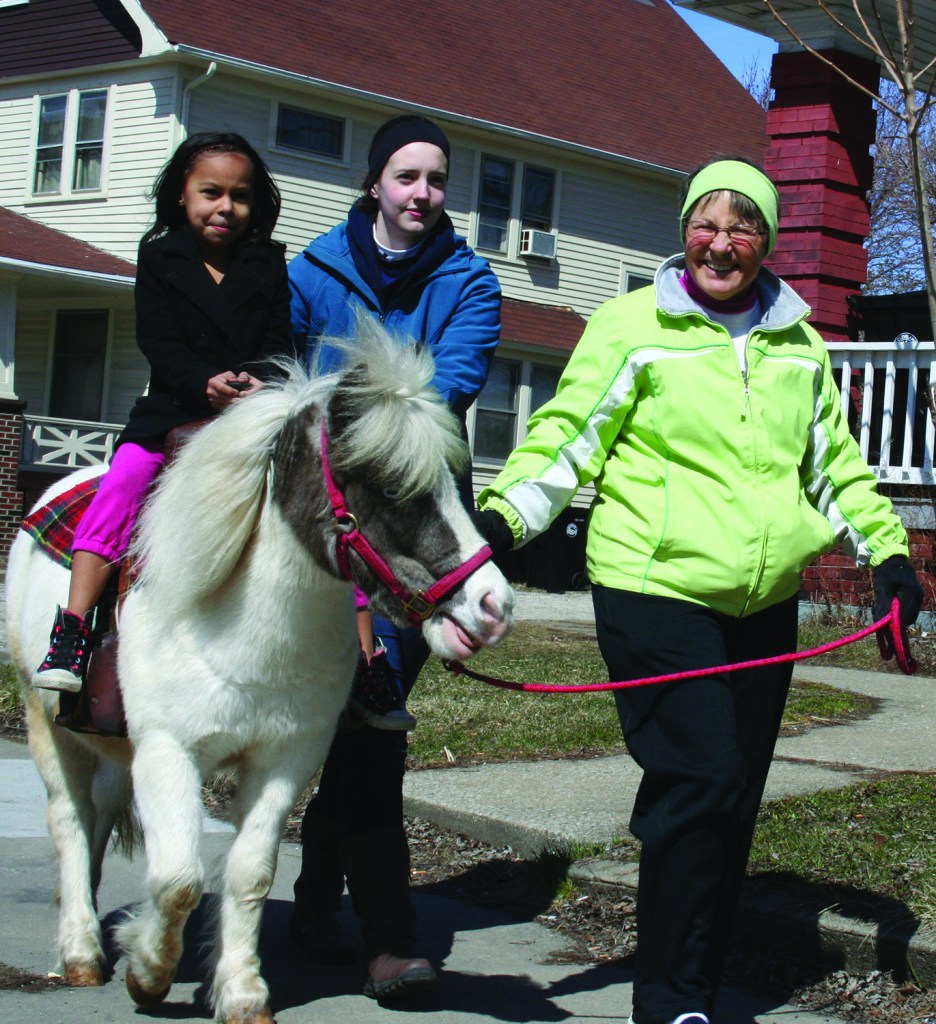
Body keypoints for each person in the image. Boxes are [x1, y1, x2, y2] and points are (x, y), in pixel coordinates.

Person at [473, 157, 924, 1024]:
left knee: (730, 797)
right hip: (653, 587)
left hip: (763, 603)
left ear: (767, 240)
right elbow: (565, 441)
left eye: (744, 224)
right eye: (707, 223)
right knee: (702, 778)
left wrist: (890, 560)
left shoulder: (798, 345)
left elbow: (836, 468)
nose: (723, 242)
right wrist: (498, 528)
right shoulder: (631, 325)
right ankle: (670, 1003)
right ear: (684, 231)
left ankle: (697, 995)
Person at [287, 113, 501, 997]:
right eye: (407, 176)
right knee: (333, 728)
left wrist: (345, 412)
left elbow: (440, 398)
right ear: (375, 182)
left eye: (437, 179)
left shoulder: (471, 283)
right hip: (318, 531)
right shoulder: (308, 273)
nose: (423, 193)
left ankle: (386, 936)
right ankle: (310, 894)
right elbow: (277, 386)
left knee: (372, 730)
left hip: (416, 538)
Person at [32, 131, 294, 691]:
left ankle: (362, 657)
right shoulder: (159, 256)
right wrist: (205, 383)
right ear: (182, 194)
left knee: (318, 492)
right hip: (173, 406)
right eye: (211, 192)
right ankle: (74, 629)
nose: (226, 207)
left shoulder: (269, 264)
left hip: (251, 416)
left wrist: (257, 381)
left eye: (241, 196)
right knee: (124, 480)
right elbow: (159, 341)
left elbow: (279, 344)